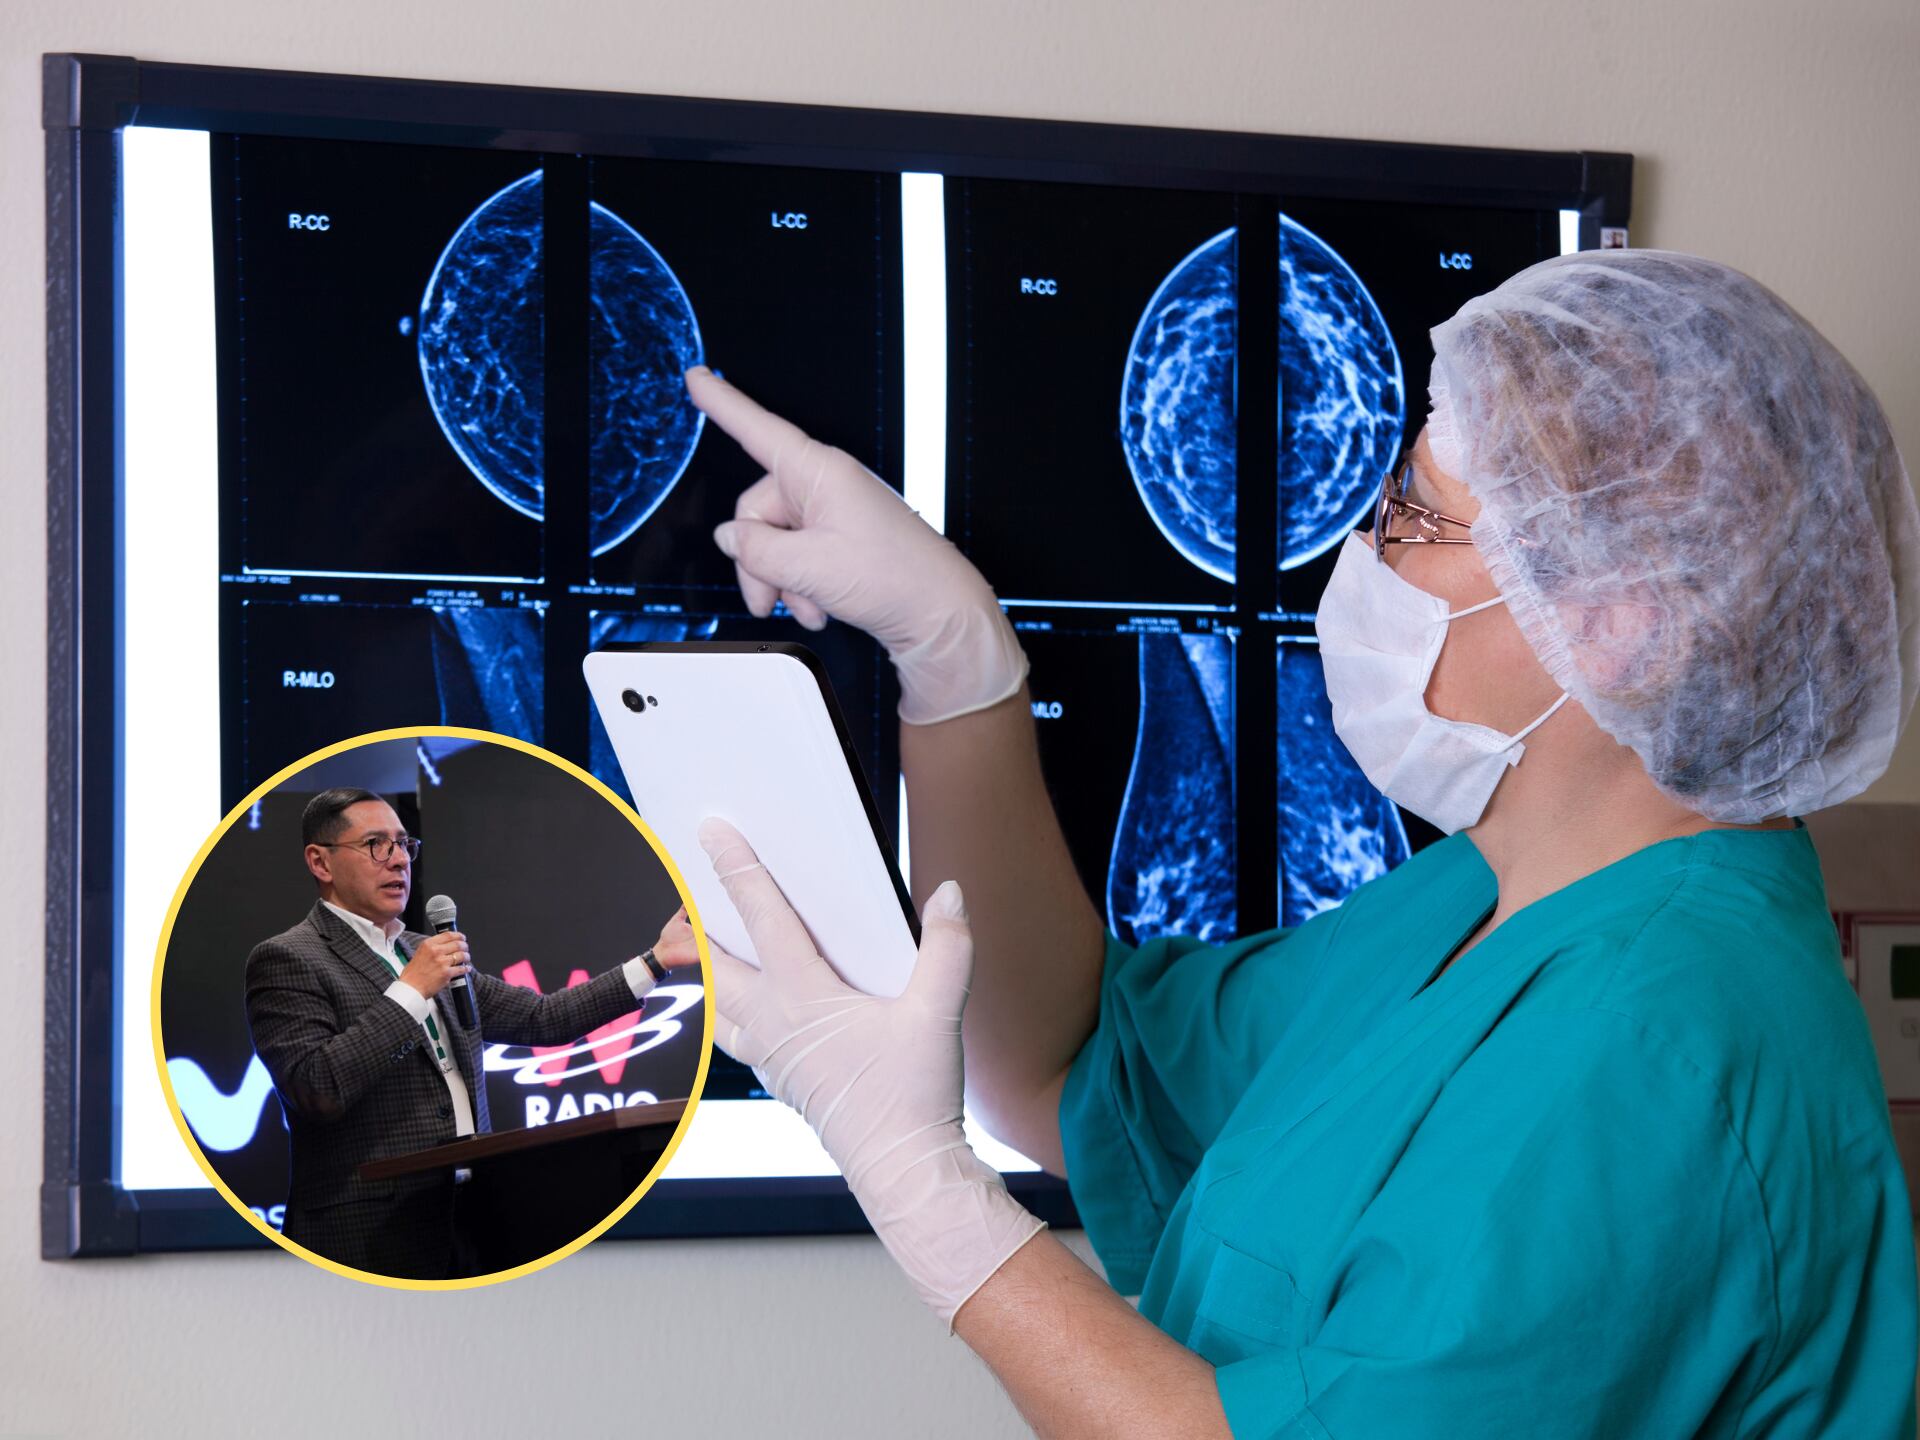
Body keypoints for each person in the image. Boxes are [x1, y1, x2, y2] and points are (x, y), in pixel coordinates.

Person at [668, 249, 1920, 1436]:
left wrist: (921, 1187)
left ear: (1623, 624)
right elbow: (1065, 1070)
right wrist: (954, 657)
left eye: (1415, 518)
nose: (1361, 551)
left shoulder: (1666, 1054)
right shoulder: (1481, 905)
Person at [244, 786, 697, 1280]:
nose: (397, 860)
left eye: (403, 844)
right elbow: (318, 1087)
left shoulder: (425, 951)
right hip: (368, 1233)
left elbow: (543, 1018)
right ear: (321, 862)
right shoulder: (290, 958)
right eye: (376, 844)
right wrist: (411, 990)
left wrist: (655, 961)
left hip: (473, 1218)